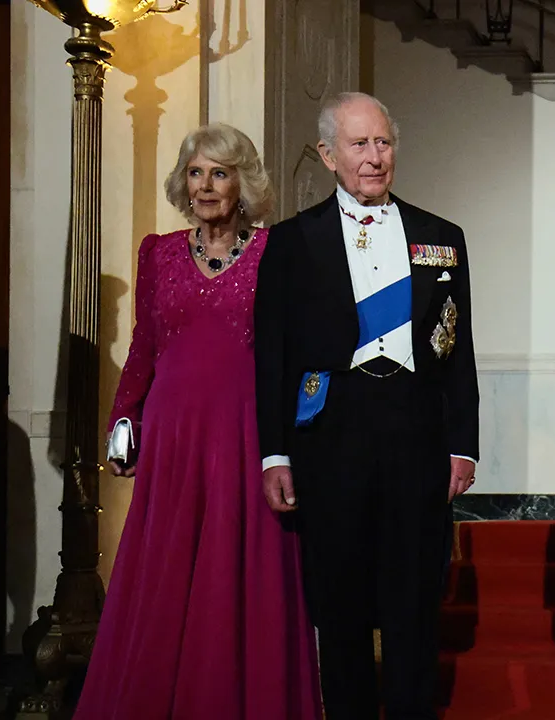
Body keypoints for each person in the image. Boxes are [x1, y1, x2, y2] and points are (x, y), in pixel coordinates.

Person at [75, 124, 322, 720]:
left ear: (244, 183)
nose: (207, 186)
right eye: (196, 172)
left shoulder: (275, 251)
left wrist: (295, 441)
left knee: (242, 572)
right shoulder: (157, 252)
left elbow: (298, 353)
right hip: (174, 435)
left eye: (221, 172)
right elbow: (144, 346)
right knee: (165, 572)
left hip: (245, 432)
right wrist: (122, 419)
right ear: (183, 183)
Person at [254, 91, 479, 720]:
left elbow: (459, 351)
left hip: (417, 434)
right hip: (331, 438)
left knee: (413, 604)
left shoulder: (443, 237)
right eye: (359, 144)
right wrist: (275, 453)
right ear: (328, 155)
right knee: (340, 602)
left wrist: (463, 443)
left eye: (383, 143)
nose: (375, 158)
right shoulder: (291, 244)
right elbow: (273, 359)